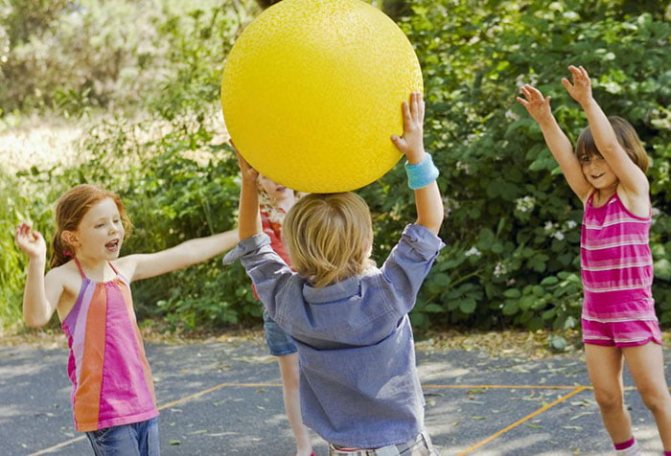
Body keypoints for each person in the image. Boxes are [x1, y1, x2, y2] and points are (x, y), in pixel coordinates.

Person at [224, 92, 444, 455]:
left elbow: (251, 244)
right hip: (403, 447)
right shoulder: (386, 294)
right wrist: (415, 153)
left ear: (294, 247)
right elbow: (431, 220)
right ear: (366, 240)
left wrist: (250, 182)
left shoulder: (289, 302)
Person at [14, 184, 239, 456]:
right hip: (105, 410)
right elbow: (35, 317)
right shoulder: (65, 278)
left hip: (142, 401)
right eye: (100, 224)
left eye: (116, 221)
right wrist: (36, 261)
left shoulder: (123, 269)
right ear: (72, 238)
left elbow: (186, 253)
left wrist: (242, 232)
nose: (113, 229)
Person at [517, 65, 671, 456]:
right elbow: (565, 158)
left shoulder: (634, 192)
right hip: (596, 314)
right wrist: (546, 119)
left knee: (654, 396)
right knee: (606, 397)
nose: (593, 166)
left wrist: (587, 102)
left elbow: (614, 149)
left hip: (633, 311)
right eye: (588, 160)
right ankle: (628, 452)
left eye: (599, 158)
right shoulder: (590, 198)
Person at [256, 173, 314, 456]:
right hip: (280, 306)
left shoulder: (310, 206)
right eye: (267, 176)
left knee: (330, 371)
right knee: (292, 377)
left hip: (316, 299)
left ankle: (343, 436)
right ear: (258, 184)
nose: (276, 180)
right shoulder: (259, 216)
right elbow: (269, 259)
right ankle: (304, 447)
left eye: (279, 171)